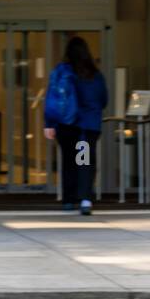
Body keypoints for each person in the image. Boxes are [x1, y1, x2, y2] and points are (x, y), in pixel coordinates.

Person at [44, 36, 108, 215]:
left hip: (66, 127)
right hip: (86, 129)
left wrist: (49, 123)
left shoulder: (62, 72)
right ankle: (85, 200)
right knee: (84, 161)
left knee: (69, 162)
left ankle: (68, 200)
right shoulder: (94, 75)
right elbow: (103, 100)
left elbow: (52, 99)